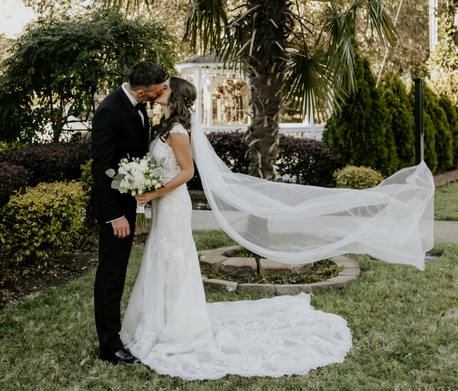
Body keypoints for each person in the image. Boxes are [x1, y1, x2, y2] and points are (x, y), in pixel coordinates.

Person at [120, 76, 434, 380]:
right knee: (164, 256)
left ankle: (176, 323)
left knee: (173, 257)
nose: (160, 89)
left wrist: (153, 192)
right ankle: (163, 316)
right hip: (164, 203)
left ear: (174, 95)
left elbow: (187, 172)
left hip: (173, 204)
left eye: (165, 87)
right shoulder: (164, 126)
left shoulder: (177, 130)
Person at [91, 61, 167, 365]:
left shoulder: (138, 104)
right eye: (158, 90)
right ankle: (109, 345)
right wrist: (115, 216)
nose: (162, 93)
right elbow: (102, 166)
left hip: (127, 203)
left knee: (118, 272)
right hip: (114, 211)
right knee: (110, 275)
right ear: (141, 92)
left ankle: (114, 335)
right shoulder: (109, 110)